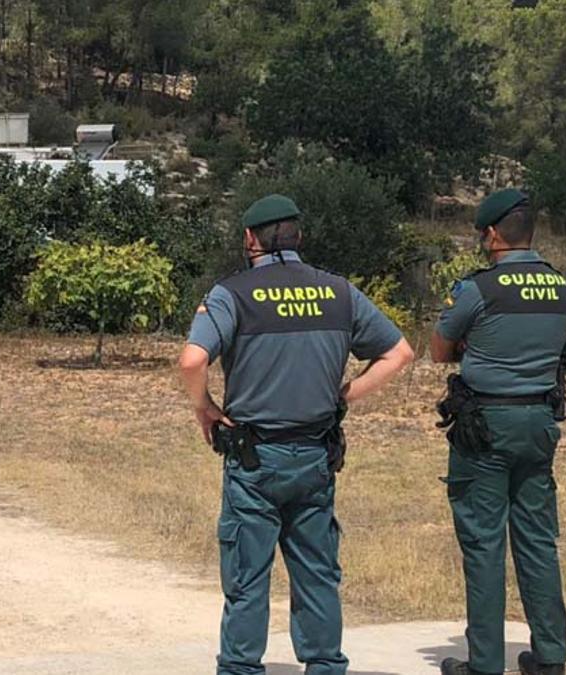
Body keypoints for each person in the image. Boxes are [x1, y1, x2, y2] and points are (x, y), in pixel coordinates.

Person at [178, 194, 414, 675]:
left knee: (247, 577)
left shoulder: (233, 294)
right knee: (317, 574)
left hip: (254, 460)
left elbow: (192, 359)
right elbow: (400, 354)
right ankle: (325, 665)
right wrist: (344, 395)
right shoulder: (339, 292)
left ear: (250, 239)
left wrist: (204, 408)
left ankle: (242, 668)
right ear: (299, 236)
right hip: (314, 457)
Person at [430, 189, 566, 675]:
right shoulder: (559, 285)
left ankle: (485, 663)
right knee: (537, 539)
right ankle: (550, 656)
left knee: (483, 543)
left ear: (491, 235)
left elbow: (439, 349)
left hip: (485, 426)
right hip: (539, 422)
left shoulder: (477, 288)